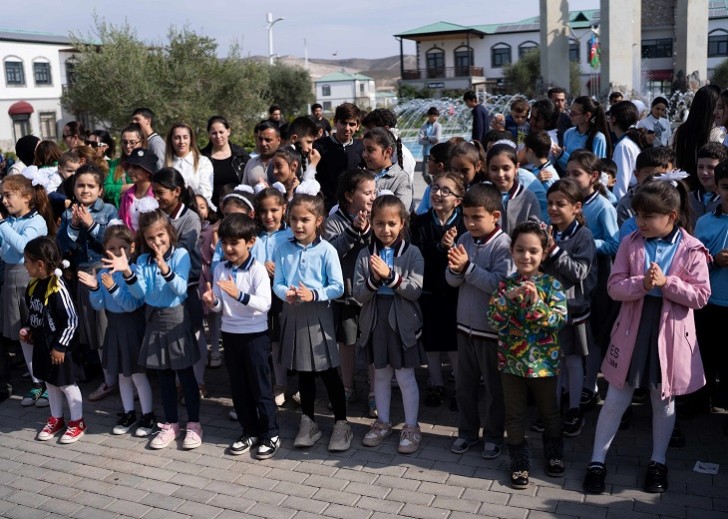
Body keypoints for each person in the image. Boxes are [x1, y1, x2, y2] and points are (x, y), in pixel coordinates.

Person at [583, 179, 710, 495]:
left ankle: (658, 461)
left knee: (663, 401)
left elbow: (701, 296)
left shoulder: (692, 248)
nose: (641, 222)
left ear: (672, 215)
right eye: (639, 215)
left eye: (649, 216)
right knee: (615, 399)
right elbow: (614, 286)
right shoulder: (631, 242)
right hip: (632, 331)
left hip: (670, 337)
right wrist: (643, 284)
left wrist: (667, 283)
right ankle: (597, 461)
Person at [104, 206, 203, 450]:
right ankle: (170, 424)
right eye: (150, 237)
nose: (156, 241)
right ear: (144, 239)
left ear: (169, 232)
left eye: (161, 235)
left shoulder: (180, 255)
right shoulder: (142, 260)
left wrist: (165, 269)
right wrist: (127, 271)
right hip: (154, 319)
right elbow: (141, 294)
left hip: (177, 318)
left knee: (186, 376)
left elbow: (181, 289)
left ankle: (194, 424)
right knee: (164, 376)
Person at [272, 180, 351, 452]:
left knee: (328, 371)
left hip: (320, 317)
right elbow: (278, 283)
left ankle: (342, 423)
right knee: (304, 374)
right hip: (294, 315)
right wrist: (287, 294)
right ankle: (308, 421)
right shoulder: (283, 248)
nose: (298, 224)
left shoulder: (327, 250)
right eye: (293, 219)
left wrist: (314, 294)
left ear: (318, 221)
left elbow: (337, 286)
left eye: (305, 219)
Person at [488, 221, 568, 489]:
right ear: (511, 250)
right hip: (511, 363)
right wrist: (509, 299)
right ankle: (519, 461)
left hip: (545, 366)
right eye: (520, 250)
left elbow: (558, 321)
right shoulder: (504, 286)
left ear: (543, 253)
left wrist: (536, 304)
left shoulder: (551, 285)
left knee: (549, 413)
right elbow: (494, 321)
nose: (526, 256)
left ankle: (554, 453)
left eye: (533, 251)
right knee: (514, 414)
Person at [202, 213, 279, 459]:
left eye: (235, 242)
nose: (229, 248)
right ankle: (249, 431)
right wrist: (212, 301)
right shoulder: (220, 269)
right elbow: (219, 306)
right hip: (230, 333)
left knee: (261, 387)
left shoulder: (257, 270)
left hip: (255, 336)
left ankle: (271, 433)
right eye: (224, 242)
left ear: (251, 242)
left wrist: (238, 295)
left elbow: (264, 304)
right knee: (239, 387)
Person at [354, 194, 425, 454]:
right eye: (380, 224)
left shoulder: (413, 253)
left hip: (403, 323)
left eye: (392, 224)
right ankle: (382, 422)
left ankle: (411, 427)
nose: (386, 230)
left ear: (402, 223)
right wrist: (375, 280)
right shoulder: (365, 254)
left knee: (405, 376)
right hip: (375, 321)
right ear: (372, 224)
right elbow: (359, 294)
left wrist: (390, 276)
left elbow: (415, 290)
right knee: (380, 374)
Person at [446, 183, 512, 458]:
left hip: (491, 332)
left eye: (477, 217)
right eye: (466, 217)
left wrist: (468, 268)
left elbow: (499, 284)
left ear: (495, 216)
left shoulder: (504, 245)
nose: (470, 223)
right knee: (465, 387)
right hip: (465, 328)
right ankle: (467, 433)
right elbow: (450, 280)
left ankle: (494, 436)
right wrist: (456, 270)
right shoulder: (462, 241)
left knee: (495, 390)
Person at [78, 223, 155, 437]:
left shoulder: (133, 270)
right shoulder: (104, 271)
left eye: (121, 248)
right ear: (105, 249)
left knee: (138, 375)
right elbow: (98, 304)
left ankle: (148, 415)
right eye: (111, 248)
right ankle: (129, 412)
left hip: (132, 327)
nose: (116, 253)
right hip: (114, 327)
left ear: (131, 248)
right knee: (122, 373)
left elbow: (131, 304)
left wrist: (112, 287)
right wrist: (95, 288)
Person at [56, 165, 119, 403]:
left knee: (109, 326)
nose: (85, 190)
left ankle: (121, 377)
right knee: (94, 329)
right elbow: (62, 246)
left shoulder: (109, 211)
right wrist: (72, 225)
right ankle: (108, 378)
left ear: (100, 190)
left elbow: (112, 241)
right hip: (82, 275)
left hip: (105, 272)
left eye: (91, 186)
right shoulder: (68, 213)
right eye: (80, 185)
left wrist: (92, 224)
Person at [540, 179, 597, 437]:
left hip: (573, 311)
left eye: (560, 204)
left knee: (573, 361)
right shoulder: (548, 232)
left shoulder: (583, 236)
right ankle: (551, 409)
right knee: (553, 362)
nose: (553, 208)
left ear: (576, 207)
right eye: (550, 203)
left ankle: (574, 408)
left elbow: (579, 271)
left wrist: (552, 251)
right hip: (548, 309)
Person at [564, 150, 620, 407]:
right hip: (572, 278)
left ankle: (590, 384)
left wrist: (584, 244)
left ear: (594, 176)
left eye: (577, 174)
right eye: (568, 173)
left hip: (596, 277)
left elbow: (614, 243)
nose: (571, 178)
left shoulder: (603, 206)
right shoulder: (567, 201)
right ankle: (569, 384)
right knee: (573, 333)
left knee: (594, 331)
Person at [322, 169, 376, 411]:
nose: (373, 197)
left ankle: (375, 390)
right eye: (367, 192)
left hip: (372, 292)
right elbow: (334, 252)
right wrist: (353, 231)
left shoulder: (377, 219)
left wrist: (366, 231)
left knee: (373, 343)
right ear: (348, 195)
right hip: (345, 294)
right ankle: (347, 386)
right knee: (346, 342)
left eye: (374, 192)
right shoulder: (334, 222)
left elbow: (379, 246)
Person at [411, 173, 465, 410]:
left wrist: (451, 250)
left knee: (454, 345)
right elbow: (418, 256)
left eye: (446, 191)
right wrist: (440, 247)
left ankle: (460, 389)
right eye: (435, 188)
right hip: (429, 292)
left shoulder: (463, 223)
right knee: (431, 344)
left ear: (458, 199)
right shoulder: (420, 222)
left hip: (456, 294)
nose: (438, 194)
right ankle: (436, 384)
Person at [0, 174, 55, 407]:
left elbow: (25, 247)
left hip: (30, 278)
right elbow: (5, 251)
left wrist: (1, 225)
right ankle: (36, 383)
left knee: (36, 330)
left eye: (8, 195)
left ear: (26, 197)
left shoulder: (37, 221)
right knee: (22, 333)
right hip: (10, 276)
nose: (3, 200)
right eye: (1, 196)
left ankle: (47, 381)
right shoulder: (9, 222)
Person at [23, 236, 84, 443]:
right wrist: (30, 331)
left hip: (60, 348)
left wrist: (60, 346)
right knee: (50, 382)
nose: (24, 265)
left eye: (27, 261)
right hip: (43, 345)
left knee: (67, 384)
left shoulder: (58, 288)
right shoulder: (35, 285)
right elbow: (36, 313)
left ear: (40, 264)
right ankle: (57, 419)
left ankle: (78, 422)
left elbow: (72, 320)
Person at [151, 168, 206, 398]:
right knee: (171, 334)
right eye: (154, 192)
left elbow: (182, 250)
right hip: (162, 286)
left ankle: (198, 382)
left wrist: (159, 247)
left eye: (160, 192)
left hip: (187, 285)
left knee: (194, 333)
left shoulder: (191, 218)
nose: (157, 197)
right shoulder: (158, 214)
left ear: (177, 191)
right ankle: (177, 381)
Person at [694, 161, 728, 432]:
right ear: (716, 188)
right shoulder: (704, 222)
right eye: (726, 187)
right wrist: (714, 261)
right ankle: (699, 400)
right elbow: (693, 264)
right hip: (710, 302)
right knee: (705, 354)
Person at [252, 187, 292, 407]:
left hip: (279, 295)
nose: (269, 216)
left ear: (283, 209)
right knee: (262, 340)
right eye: (264, 211)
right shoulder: (254, 237)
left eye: (274, 210)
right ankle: (263, 384)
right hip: (257, 294)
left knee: (277, 340)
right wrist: (260, 265)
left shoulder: (289, 234)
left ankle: (281, 383)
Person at [313, 103, 364, 211]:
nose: (347, 128)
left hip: (354, 208)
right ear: (335, 122)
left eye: (351, 124)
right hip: (325, 207)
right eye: (343, 123)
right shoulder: (319, 146)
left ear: (358, 126)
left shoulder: (361, 147)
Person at [673, 84, 722, 190]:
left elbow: (675, 162)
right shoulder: (717, 134)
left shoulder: (680, 131)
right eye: (719, 105)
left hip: (685, 188)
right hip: (711, 191)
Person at [616, 147, 674, 231]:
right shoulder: (626, 205)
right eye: (647, 173)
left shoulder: (677, 198)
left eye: (660, 175)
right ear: (637, 175)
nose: (653, 179)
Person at [487, 143, 541, 233]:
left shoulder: (528, 198)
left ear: (516, 168)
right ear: (487, 169)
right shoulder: (482, 196)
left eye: (506, 168)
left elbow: (536, 233)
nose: (500, 174)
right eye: (494, 169)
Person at [200, 115, 250, 205]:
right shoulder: (202, 158)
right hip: (212, 208)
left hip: (239, 207)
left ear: (228, 131)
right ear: (209, 134)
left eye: (221, 132)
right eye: (214, 133)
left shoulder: (241, 154)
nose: (218, 136)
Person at [362, 128, 413, 211]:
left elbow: (400, 212)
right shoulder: (362, 175)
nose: (365, 154)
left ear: (388, 152)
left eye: (370, 150)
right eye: (364, 149)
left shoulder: (401, 179)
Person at [164, 123, 214, 208]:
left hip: (197, 209)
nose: (181, 142)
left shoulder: (203, 162)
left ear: (191, 139)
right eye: (177, 138)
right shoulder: (166, 165)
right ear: (171, 140)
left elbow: (206, 192)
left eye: (185, 137)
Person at [555, 96, 611, 171]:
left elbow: (596, 168)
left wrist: (563, 156)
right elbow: (565, 168)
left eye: (574, 114)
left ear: (587, 115)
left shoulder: (598, 138)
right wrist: (559, 156)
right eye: (570, 112)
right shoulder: (569, 133)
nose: (570, 116)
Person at [611, 101, 650, 200]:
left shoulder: (623, 146)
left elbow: (621, 183)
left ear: (613, 119)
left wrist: (619, 208)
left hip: (628, 200)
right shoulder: (632, 140)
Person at [105, 124, 145, 208]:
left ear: (142, 142)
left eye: (132, 142)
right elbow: (106, 188)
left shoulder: (148, 164)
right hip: (120, 211)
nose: (128, 146)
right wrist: (126, 188)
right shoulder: (115, 164)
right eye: (124, 142)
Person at [118, 148, 156, 233]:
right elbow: (121, 219)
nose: (130, 171)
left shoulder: (156, 194)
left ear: (148, 171)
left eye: (135, 167)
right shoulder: (127, 195)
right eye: (129, 167)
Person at [691, 143, 728, 227]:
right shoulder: (689, 198)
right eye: (700, 167)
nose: (704, 172)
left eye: (711, 167)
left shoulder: (724, 199)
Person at [242, 121, 281, 188]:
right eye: (260, 139)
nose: (263, 144)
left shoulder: (286, 162)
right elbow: (244, 190)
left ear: (278, 141)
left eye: (268, 140)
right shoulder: (250, 163)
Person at [418, 107, 442, 185]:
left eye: (436, 116)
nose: (435, 118)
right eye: (434, 116)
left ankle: (435, 187)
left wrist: (427, 138)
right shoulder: (423, 127)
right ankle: (432, 186)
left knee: (436, 174)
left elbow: (437, 139)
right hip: (426, 154)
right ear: (429, 115)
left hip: (436, 154)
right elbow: (420, 141)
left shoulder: (438, 126)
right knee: (425, 174)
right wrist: (432, 140)